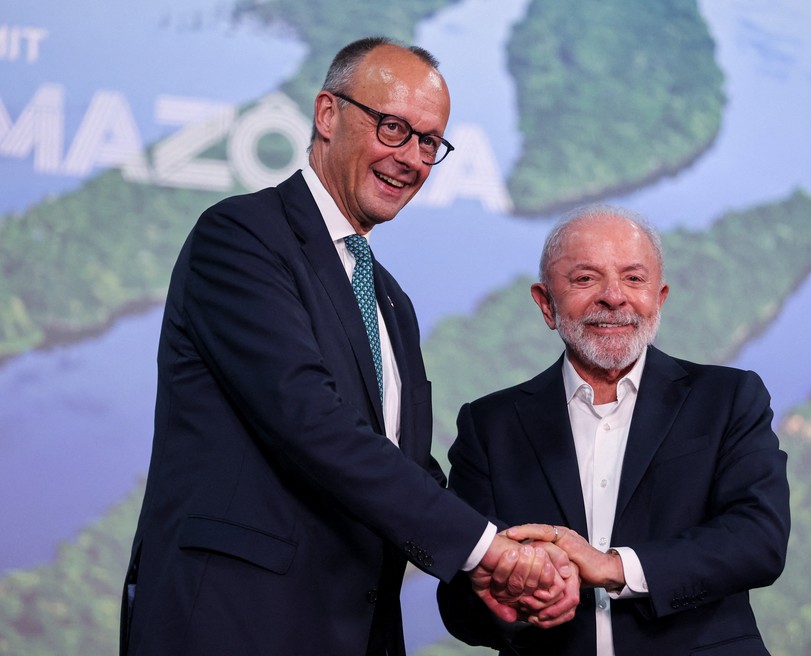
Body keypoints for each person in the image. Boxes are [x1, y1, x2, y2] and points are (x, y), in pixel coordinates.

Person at [119, 36, 578, 656]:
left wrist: (487, 567)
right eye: (393, 128)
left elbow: (402, 464)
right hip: (233, 625)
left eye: (428, 142)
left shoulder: (390, 299)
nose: (412, 158)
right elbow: (311, 424)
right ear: (328, 115)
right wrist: (484, 548)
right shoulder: (241, 238)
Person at [436, 205, 791, 654]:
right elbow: (459, 602)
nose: (614, 297)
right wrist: (513, 599)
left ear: (658, 299)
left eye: (634, 279)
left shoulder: (727, 398)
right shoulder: (490, 425)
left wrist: (614, 567)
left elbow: (759, 540)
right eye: (585, 279)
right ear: (546, 304)